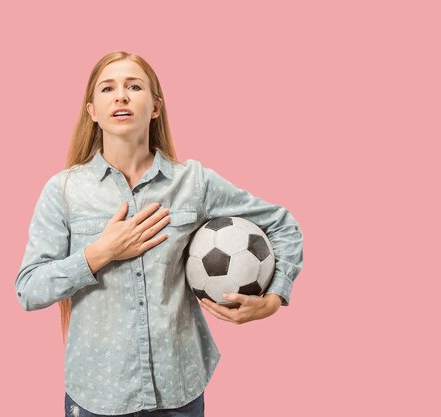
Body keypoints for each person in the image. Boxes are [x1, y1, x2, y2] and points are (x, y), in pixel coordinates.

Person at [15, 51, 304, 417]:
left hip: (179, 388)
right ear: (92, 110)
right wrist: (99, 253)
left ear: (154, 107)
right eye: (108, 88)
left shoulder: (193, 183)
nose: (120, 95)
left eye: (134, 86)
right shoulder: (64, 191)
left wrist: (273, 298)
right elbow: (28, 288)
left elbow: (283, 223)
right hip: (98, 395)